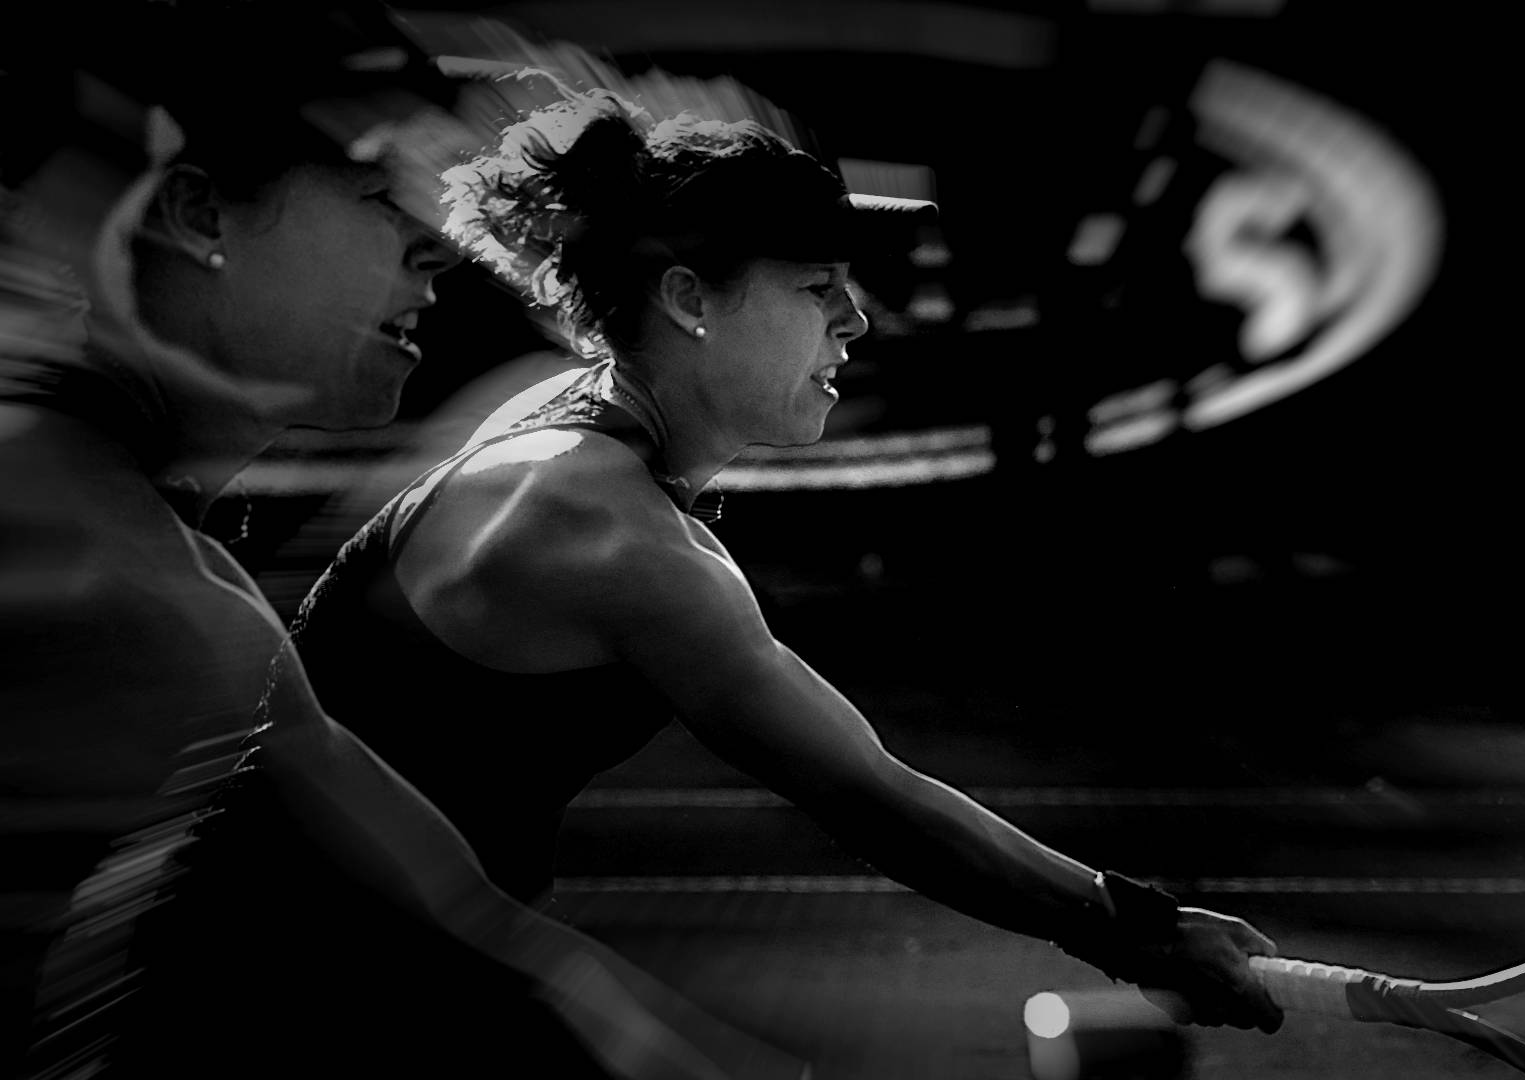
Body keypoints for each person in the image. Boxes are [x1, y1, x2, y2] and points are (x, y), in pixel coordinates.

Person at [287, 79, 1290, 1035]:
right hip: (306, 980)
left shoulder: (575, 429)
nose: (856, 318)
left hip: (375, 960)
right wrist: (1143, 930)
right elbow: (872, 798)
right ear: (688, 297)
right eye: (817, 287)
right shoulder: (601, 526)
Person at [1, 5, 800, 1077]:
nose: (434, 247)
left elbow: (458, 910)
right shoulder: (89, 555)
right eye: (379, 196)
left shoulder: (179, 582)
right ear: (197, 214)